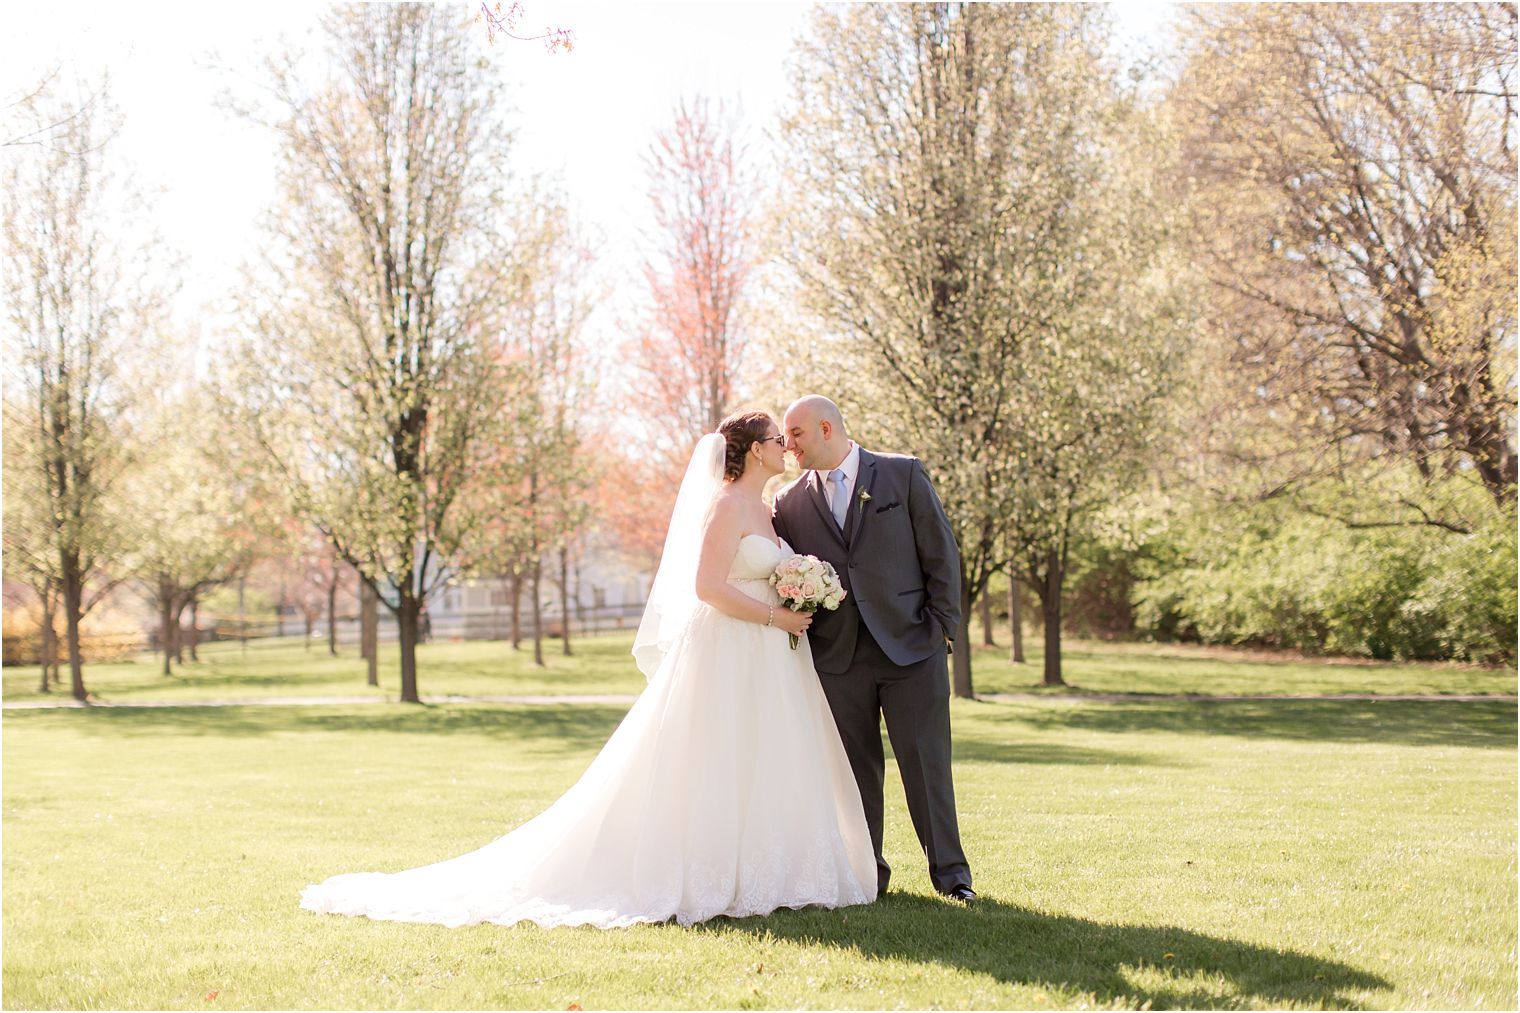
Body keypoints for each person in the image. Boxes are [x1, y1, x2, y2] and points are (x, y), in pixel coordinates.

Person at [299, 411, 876, 928]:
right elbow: (706, 587)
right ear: (755, 450)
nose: (786, 448)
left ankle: (772, 872)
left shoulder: (767, 508)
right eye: (779, 439)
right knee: (716, 755)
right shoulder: (725, 506)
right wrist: (778, 616)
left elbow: (755, 571)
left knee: (763, 755)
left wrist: (799, 592)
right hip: (732, 645)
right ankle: (705, 873)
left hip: (767, 653)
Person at [772, 395, 975, 903]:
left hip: (912, 648)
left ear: (825, 428)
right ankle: (869, 876)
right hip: (838, 659)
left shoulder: (902, 475)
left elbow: (940, 551)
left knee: (927, 767)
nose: (788, 445)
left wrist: (942, 627)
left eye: (795, 434)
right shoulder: (789, 503)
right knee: (855, 775)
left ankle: (952, 878)